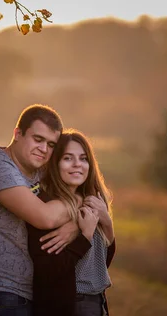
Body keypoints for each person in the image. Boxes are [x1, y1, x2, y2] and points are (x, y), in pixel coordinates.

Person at [0, 105, 92, 315]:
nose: (44, 149)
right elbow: (44, 218)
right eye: (38, 139)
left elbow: (83, 190)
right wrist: (76, 219)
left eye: (51, 144)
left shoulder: (39, 172)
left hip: (30, 293)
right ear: (17, 133)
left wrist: (73, 224)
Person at [27, 129, 116, 316]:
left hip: (97, 301)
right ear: (55, 164)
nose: (78, 165)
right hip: (70, 304)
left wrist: (106, 221)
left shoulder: (92, 201)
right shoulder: (47, 208)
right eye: (68, 158)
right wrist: (84, 236)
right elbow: (48, 271)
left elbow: (100, 262)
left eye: (83, 158)